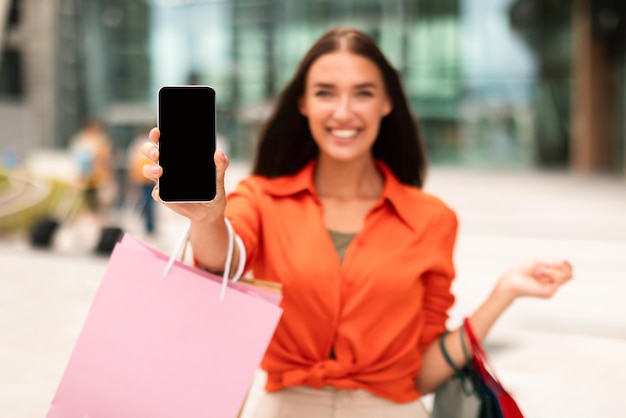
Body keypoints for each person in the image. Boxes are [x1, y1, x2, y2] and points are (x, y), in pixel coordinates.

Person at [141, 27, 572, 417]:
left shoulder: (431, 219)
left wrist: (504, 294)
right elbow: (221, 263)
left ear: (387, 102)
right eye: (326, 92)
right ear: (303, 103)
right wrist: (208, 218)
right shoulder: (263, 197)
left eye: (363, 93)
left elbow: (420, 374)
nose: (344, 111)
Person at [69, 118, 114, 214]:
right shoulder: (90, 140)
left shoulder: (83, 140)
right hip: (89, 177)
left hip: (94, 177)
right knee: (89, 202)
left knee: (96, 202)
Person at [128, 131, 157, 235]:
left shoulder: (140, 144)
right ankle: (148, 226)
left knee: (147, 203)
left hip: (147, 180)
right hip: (144, 180)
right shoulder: (141, 145)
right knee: (146, 204)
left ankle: (149, 226)